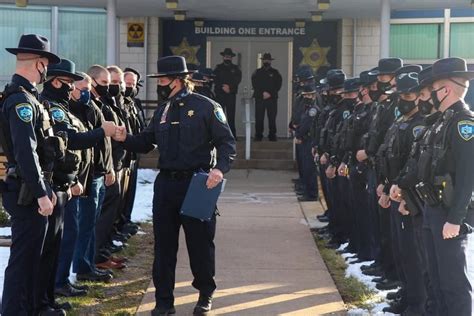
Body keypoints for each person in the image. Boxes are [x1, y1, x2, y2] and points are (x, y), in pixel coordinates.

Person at [113, 56, 236, 316]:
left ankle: (205, 293)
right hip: (167, 184)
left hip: (198, 184)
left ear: (178, 80)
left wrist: (219, 169)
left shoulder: (206, 106)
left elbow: (227, 143)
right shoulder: (163, 110)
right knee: (164, 246)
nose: (160, 85)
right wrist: (125, 139)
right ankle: (164, 302)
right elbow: (147, 142)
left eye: (164, 80)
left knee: (200, 245)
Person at [37, 58, 117, 315]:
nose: (74, 90)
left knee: (66, 236)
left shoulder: (63, 108)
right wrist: (101, 132)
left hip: (69, 182)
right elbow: (70, 141)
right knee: (64, 237)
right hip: (57, 184)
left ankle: (54, 289)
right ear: (59, 82)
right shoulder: (55, 108)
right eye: (72, 84)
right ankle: (56, 286)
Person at [0, 34, 62, 316]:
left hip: (30, 188)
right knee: (23, 261)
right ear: (40, 64)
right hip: (26, 191)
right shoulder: (21, 101)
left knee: (31, 259)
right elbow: (26, 152)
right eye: (47, 64)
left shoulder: (29, 98)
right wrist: (40, 193)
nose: (47, 71)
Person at [416, 57, 474, 316]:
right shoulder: (441, 121)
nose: (429, 96)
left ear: (446, 90)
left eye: (433, 89)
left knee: (453, 283)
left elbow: (468, 175)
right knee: (434, 279)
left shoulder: (463, 123)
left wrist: (455, 218)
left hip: (448, 213)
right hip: (433, 209)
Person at [72, 65, 115, 283]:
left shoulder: (91, 107)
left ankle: (87, 265)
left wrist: (108, 168)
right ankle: (82, 267)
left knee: (92, 223)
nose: (88, 92)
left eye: (89, 88)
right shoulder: (70, 109)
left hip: (97, 171)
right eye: (83, 88)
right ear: (72, 88)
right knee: (85, 224)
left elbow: (105, 140)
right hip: (83, 175)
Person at [295, 83, 318, 201]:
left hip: (309, 140)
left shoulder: (313, 109)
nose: (307, 97)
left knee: (310, 169)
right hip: (304, 140)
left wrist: (299, 134)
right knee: (305, 167)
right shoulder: (306, 108)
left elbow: (307, 125)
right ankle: (307, 191)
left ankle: (312, 193)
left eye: (309, 95)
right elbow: (301, 122)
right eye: (305, 95)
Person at [251, 53, 282, 141]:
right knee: (259, 117)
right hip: (260, 98)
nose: (266, 61)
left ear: (270, 61)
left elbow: (278, 85)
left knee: (272, 117)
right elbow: (254, 84)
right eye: (265, 60)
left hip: (272, 99)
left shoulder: (275, 72)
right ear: (262, 60)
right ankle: (258, 135)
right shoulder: (257, 72)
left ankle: (272, 135)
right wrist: (262, 94)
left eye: (268, 60)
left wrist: (270, 94)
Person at [213, 48, 242, 138]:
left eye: (229, 57)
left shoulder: (235, 68)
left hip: (231, 94)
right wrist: (222, 86)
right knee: (219, 116)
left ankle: (232, 135)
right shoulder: (218, 68)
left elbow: (238, 79)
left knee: (231, 116)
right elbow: (215, 79)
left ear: (231, 58)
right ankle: (219, 136)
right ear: (223, 57)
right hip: (220, 95)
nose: (227, 58)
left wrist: (230, 88)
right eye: (226, 56)